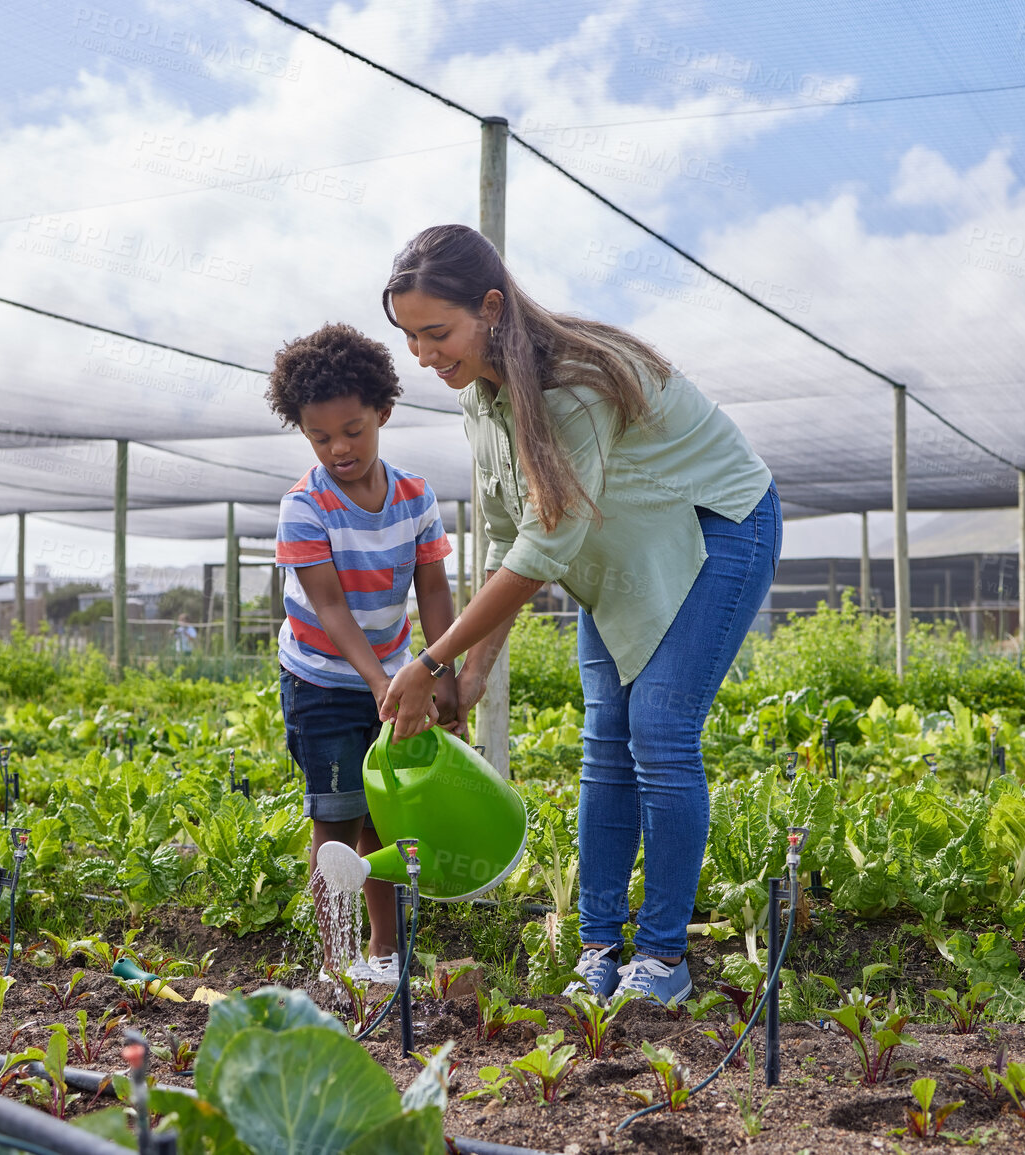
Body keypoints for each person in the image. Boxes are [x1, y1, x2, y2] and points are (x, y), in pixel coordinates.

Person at [378, 224, 780, 1004]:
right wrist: (470, 672)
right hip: (621, 550)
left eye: (437, 332)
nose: (424, 355)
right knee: (605, 740)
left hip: (716, 524)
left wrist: (427, 664)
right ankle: (600, 946)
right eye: (410, 338)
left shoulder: (575, 384)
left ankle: (661, 959)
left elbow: (543, 546)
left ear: (490, 308)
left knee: (658, 729)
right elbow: (503, 535)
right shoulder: (482, 401)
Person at [266, 322, 463, 984]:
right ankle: (336, 961)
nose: (339, 447)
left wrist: (440, 673)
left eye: (353, 429)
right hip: (321, 683)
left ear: (383, 411)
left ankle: (384, 954)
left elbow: (432, 587)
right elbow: (328, 607)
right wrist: (386, 679)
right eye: (320, 437)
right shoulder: (304, 506)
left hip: (394, 675)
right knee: (337, 818)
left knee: (384, 816)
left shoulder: (415, 496)